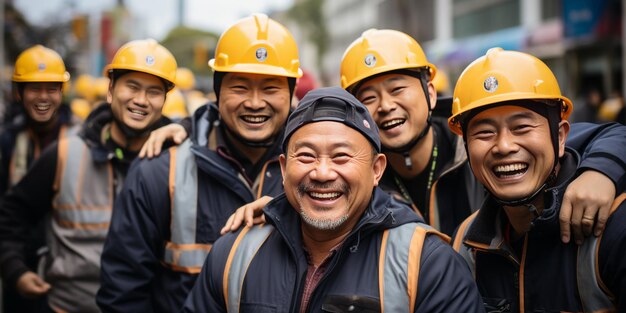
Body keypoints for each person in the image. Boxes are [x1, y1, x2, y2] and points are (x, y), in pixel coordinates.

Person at [223, 29, 620, 246]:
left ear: (430, 92)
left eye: (398, 90)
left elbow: (606, 135)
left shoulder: (479, 143)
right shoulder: (353, 176)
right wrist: (281, 208)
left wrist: (600, 172)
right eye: (369, 98)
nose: (385, 107)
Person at [181, 86, 485, 313]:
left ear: (376, 169)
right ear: (284, 169)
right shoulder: (235, 253)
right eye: (306, 156)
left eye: (341, 156)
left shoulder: (428, 264)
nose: (322, 173)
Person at [97, 14, 302, 312]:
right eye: (240, 87)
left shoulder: (316, 175)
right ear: (217, 93)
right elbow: (122, 293)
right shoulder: (158, 171)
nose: (255, 102)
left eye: (270, 88)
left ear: (292, 95)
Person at [0, 38, 176, 312]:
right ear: (110, 90)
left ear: (164, 100)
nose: (141, 100)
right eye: (132, 86)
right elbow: (10, 217)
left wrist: (186, 127)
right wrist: (16, 270)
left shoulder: (179, 163)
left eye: (154, 92)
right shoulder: (65, 154)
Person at [449, 48, 626, 312]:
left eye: (521, 127)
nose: (504, 146)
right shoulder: (466, 243)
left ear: (561, 137)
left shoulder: (615, 228)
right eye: (484, 132)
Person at [0, 44, 78, 313]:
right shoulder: (6, 142)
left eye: (52, 88)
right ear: (18, 93)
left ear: (61, 92)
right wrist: (13, 269)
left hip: (70, 277)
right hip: (17, 273)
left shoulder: (80, 141)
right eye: (34, 88)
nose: (43, 97)